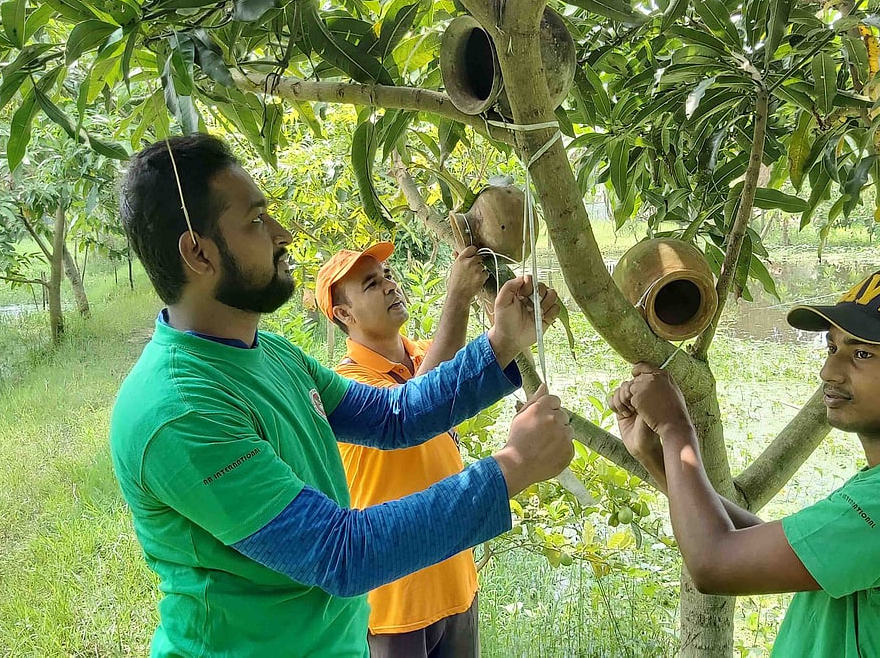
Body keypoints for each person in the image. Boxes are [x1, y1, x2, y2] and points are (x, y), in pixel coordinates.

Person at [110, 133, 573, 657]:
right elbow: (340, 553)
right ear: (198, 251)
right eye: (257, 221)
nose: (282, 234)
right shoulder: (181, 409)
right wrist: (511, 468)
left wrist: (502, 341)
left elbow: (395, 415)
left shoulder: (271, 353)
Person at [610, 267, 880, 656]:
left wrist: (676, 428)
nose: (830, 371)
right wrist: (655, 455)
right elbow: (776, 546)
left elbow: (714, 563)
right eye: (832, 348)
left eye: (862, 353)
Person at [316, 241, 490, 657]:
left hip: (456, 584)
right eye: (371, 284)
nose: (390, 286)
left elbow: (458, 370)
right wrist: (458, 297)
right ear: (344, 315)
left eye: (388, 276)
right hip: (395, 604)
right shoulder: (347, 387)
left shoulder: (421, 356)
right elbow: (411, 410)